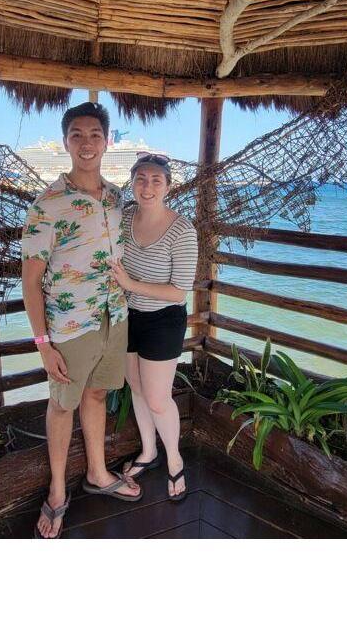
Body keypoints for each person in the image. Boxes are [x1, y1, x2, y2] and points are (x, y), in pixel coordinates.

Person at [22, 101, 141, 539]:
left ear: (107, 142)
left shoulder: (115, 198)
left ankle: (96, 472)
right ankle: (56, 493)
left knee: (95, 396)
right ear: (66, 142)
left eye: (95, 134)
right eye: (77, 134)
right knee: (61, 405)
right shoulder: (47, 205)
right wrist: (42, 342)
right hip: (69, 326)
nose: (87, 142)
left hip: (115, 314)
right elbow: (30, 281)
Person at [109, 153, 198, 502]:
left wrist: (131, 284)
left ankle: (175, 459)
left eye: (155, 180)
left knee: (159, 398)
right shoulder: (125, 217)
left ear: (168, 186)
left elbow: (179, 290)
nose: (147, 187)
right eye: (141, 179)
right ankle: (149, 451)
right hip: (128, 316)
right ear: (132, 183)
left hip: (164, 319)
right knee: (136, 387)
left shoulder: (182, 229)